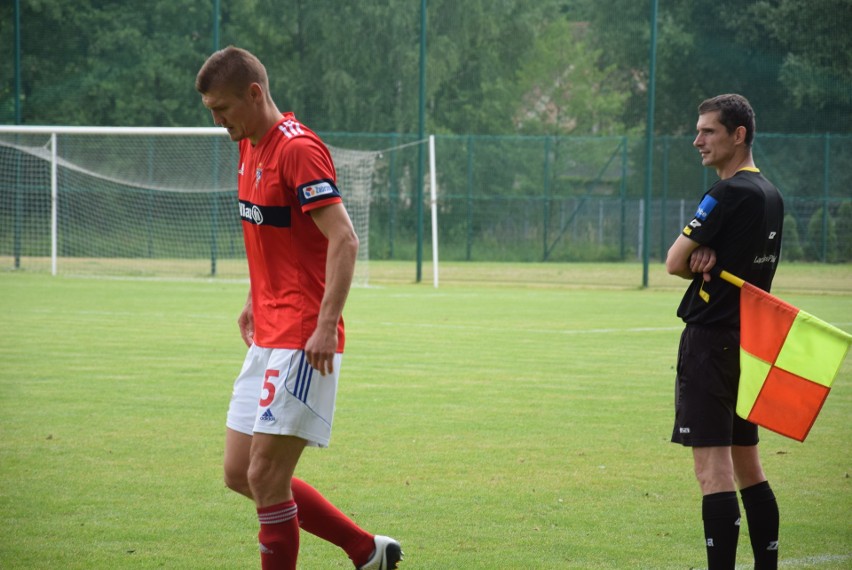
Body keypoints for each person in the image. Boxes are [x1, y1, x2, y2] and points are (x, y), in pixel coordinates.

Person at [195, 46, 403, 570]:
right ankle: (365, 550)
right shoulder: (247, 145)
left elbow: (344, 239)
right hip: (267, 331)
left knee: (266, 476)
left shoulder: (298, 149)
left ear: (254, 93)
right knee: (240, 473)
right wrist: (252, 296)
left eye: (222, 108)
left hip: (303, 339)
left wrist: (326, 325)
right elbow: (274, 233)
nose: (217, 120)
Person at [665, 94, 783, 570]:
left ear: (739, 135)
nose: (697, 141)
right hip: (750, 344)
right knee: (749, 466)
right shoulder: (771, 194)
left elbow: (674, 261)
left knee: (712, 472)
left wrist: (697, 260)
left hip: (712, 344)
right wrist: (706, 258)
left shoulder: (727, 193)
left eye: (709, 131)